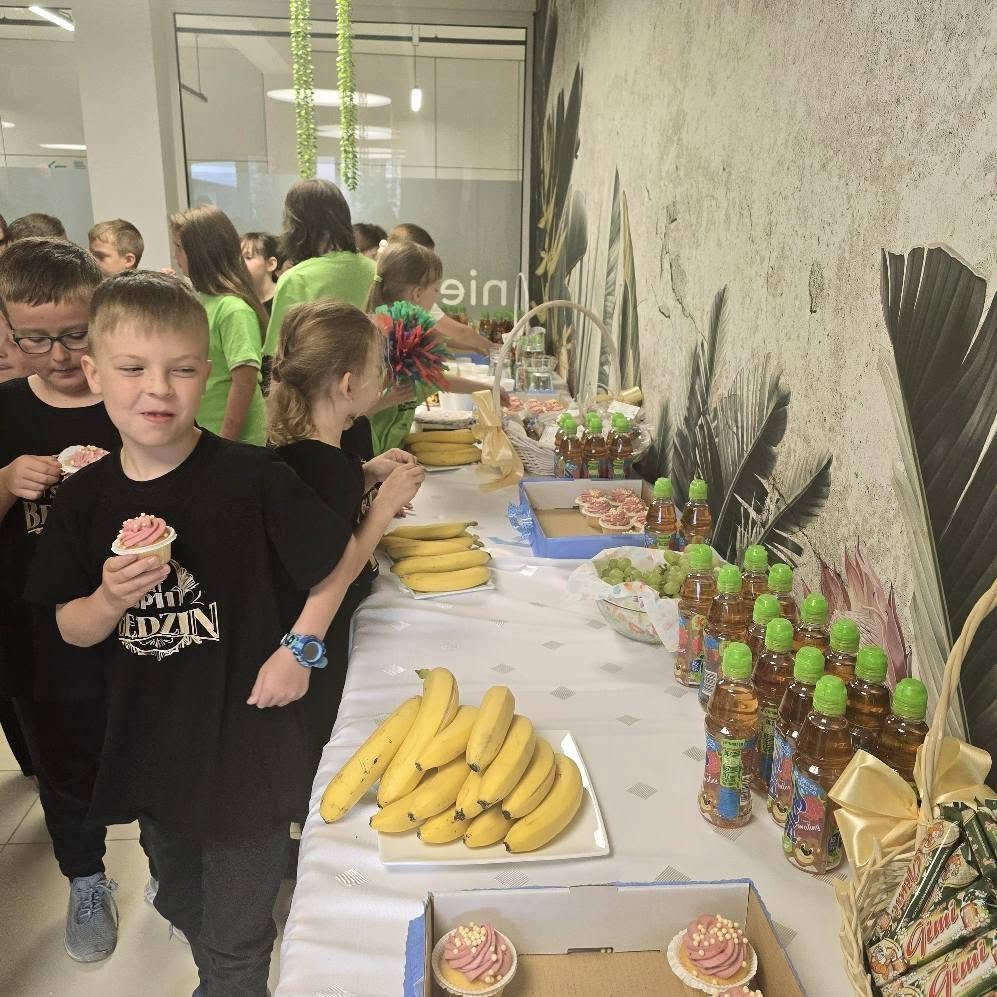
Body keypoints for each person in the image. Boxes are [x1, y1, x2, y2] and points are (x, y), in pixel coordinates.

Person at [25, 271, 424, 996]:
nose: (158, 389)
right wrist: (109, 599)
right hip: (150, 748)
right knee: (180, 898)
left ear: (207, 372)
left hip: (249, 743)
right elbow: (69, 628)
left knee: (239, 942)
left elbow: (332, 564)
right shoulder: (83, 498)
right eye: (133, 369)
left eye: (181, 370)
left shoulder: (254, 477)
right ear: (94, 372)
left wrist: (299, 647)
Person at [0, 237, 121, 963]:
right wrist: (5, 480)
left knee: (144, 740)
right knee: (62, 758)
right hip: (33, 630)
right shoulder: (7, 409)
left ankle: (172, 867)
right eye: (33, 339)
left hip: (136, 623)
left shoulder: (132, 399)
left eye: (74, 335)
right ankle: (86, 875)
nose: (57, 355)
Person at [268, 300, 420, 816]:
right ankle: (308, 813)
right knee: (321, 730)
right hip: (321, 638)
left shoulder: (309, 456)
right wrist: (383, 506)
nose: (385, 379)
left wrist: (368, 473)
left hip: (308, 627)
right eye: (379, 369)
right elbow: (336, 566)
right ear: (349, 384)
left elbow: (325, 505)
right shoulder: (328, 467)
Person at [365, 241, 502, 454]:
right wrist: (385, 400)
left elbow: (432, 379)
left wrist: (489, 389)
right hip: (365, 457)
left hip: (390, 454)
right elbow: (345, 412)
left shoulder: (413, 336)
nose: (436, 297)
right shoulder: (371, 340)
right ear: (417, 293)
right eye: (436, 289)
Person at [170, 205, 268, 445]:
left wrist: (225, 443)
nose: (175, 255)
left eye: (179, 247)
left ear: (200, 252)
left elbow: (244, 383)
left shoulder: (233, 309)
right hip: (206, 433)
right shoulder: (202, 302)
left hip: (236, 441)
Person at [264, 179, 375, 365]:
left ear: (296, 224)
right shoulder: (376, 270)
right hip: (370, 376)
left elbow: (278, 357)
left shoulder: (296, 279)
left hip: (316, 381)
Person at [387, 222, 492, 356]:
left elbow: (435, 336)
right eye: (426, 261)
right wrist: (495, 348)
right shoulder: (415, 300)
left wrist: (473, 347)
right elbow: (458, 332)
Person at [241, 232, 283, 316]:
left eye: (248, 257)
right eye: (239, 258)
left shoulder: (285, 298)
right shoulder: (239, 301)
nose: (240, 262)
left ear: (270, 264)